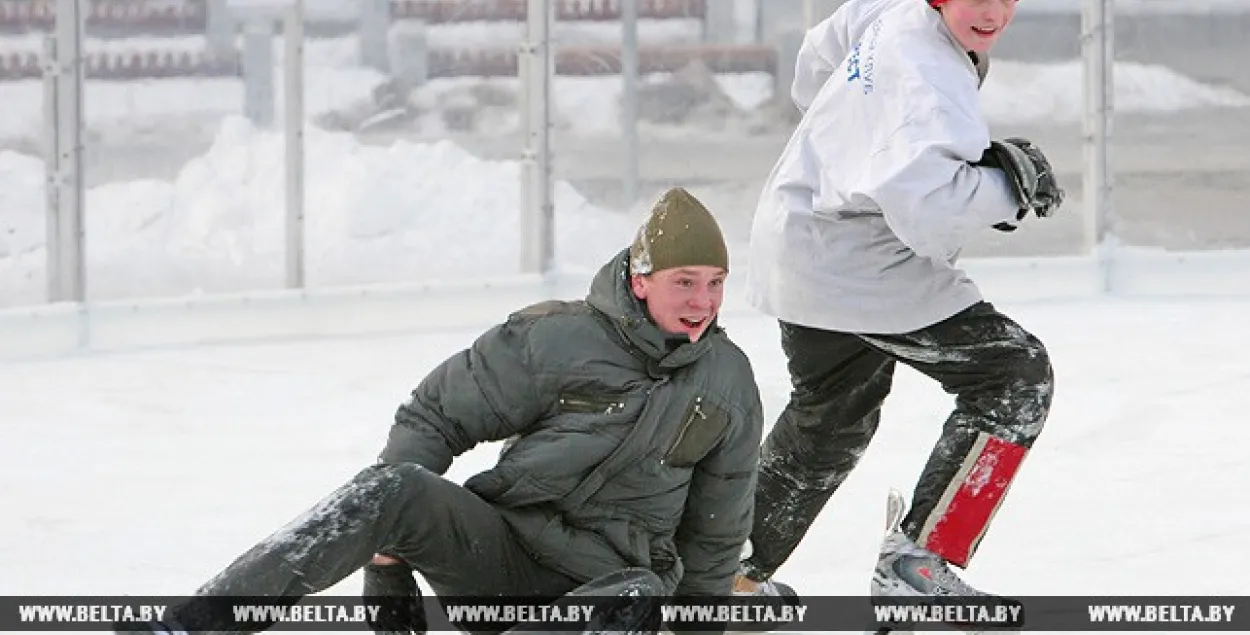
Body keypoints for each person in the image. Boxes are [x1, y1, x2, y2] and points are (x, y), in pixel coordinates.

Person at [119, 187, 765, 635]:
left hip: (605, 588)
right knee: (393, 488)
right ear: (642, 277)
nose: (702, 300)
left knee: (640, 598)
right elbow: (435, 414)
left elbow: (712, 543)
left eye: (715, 282)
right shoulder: (558, 340)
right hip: (502, 554)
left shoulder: (728, 383)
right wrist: (387, 562)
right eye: (685, 280)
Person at [735, 0, 1063, 608]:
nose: (992, 13)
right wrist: (1012, 189)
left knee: (828, 423)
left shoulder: (893, 10)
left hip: (798, 236)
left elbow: (814, 63)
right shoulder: (928, 74)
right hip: (861, 264)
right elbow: (928, 210)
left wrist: (853, 136)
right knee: (1014, 376)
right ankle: (920, 562)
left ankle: (723, 575)